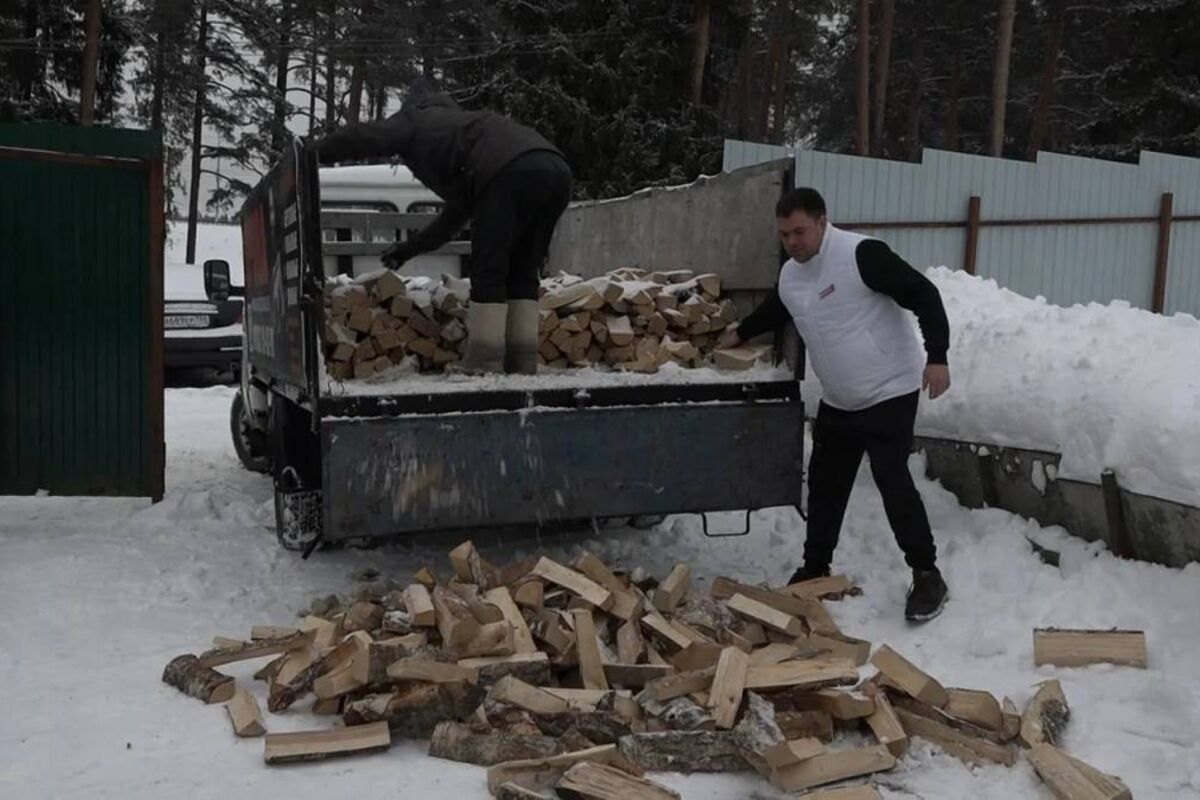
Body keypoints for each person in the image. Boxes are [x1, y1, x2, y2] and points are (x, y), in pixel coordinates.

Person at [719, 187, 952, 622]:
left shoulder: (861, 255)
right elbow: (778, 308)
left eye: (801, 231)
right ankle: (815, 568)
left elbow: (923, 293)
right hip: (840, 399)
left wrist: (937, 355)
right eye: (785, 234)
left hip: (889, 389)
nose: (793, 241)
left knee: (892, 478)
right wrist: (742, 332)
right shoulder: (792, 274)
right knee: (826, 483)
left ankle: (927, 574)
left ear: (823, 222)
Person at [311, 78, 572, 375]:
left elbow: (363, 138)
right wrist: (409, 249)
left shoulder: (416, 120)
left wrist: (314, 152)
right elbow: (453, 219)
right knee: (524, 269)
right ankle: (522, 360)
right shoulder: (466, 131)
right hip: (557, 170)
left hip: (506, 172)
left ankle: (485, 361)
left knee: (490, 268)